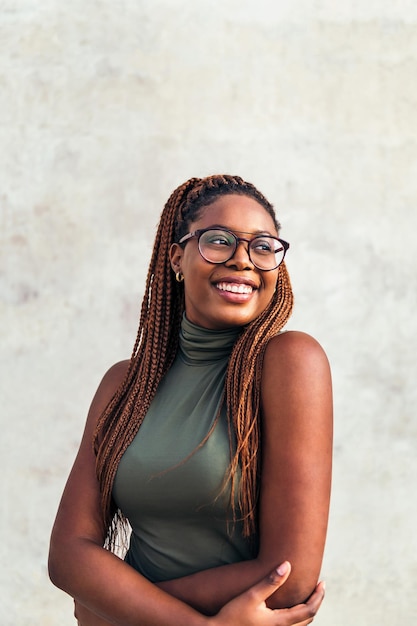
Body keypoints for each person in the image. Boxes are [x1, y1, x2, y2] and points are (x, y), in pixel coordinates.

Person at [49, 174, 333, 626]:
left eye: (263, 247)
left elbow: (289, 578)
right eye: (219, 241)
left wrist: (113, 606)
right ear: (177, 258)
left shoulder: (291, 363)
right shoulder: (126, 384)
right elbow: (68, 554)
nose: (243, 261)